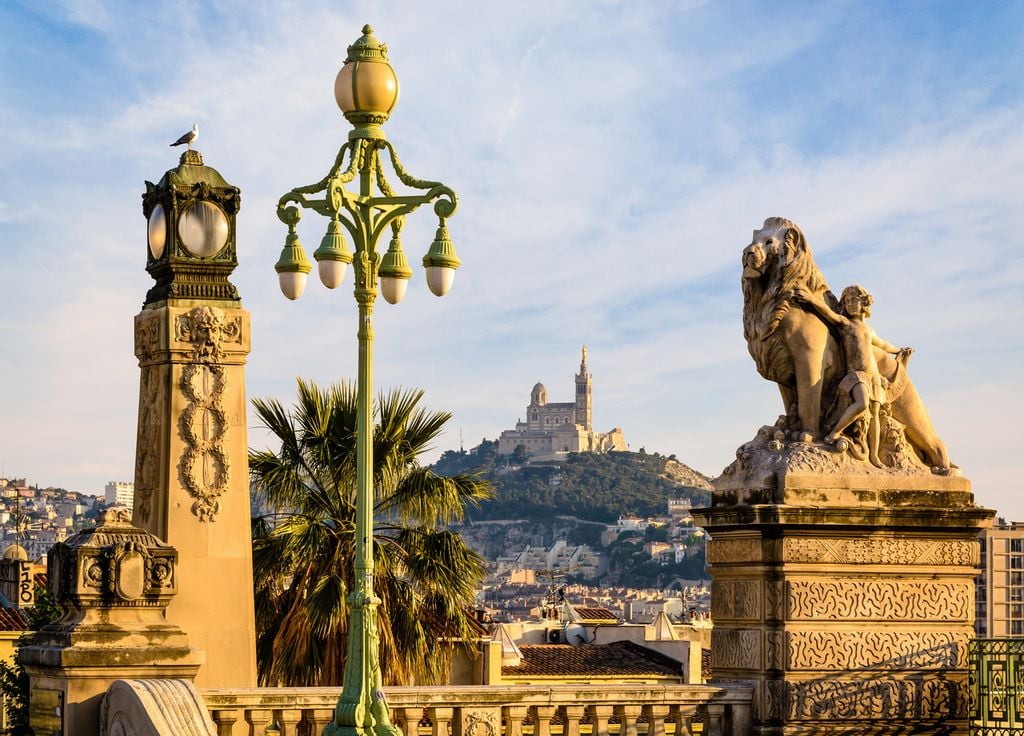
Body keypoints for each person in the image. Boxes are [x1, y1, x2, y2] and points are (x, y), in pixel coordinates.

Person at [793, 285, 911, 466]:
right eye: (846, 301)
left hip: (873, 377)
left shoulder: (868, 330)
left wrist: (898, 350)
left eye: (853, 300)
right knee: (862, 404)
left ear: (864, 303)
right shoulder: (845, 324)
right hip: (856, 375)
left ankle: (874, 456)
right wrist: (810, 299)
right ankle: (835, 432)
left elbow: (883, 344)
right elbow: (827, 312)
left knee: (874, 415)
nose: (849, 304)